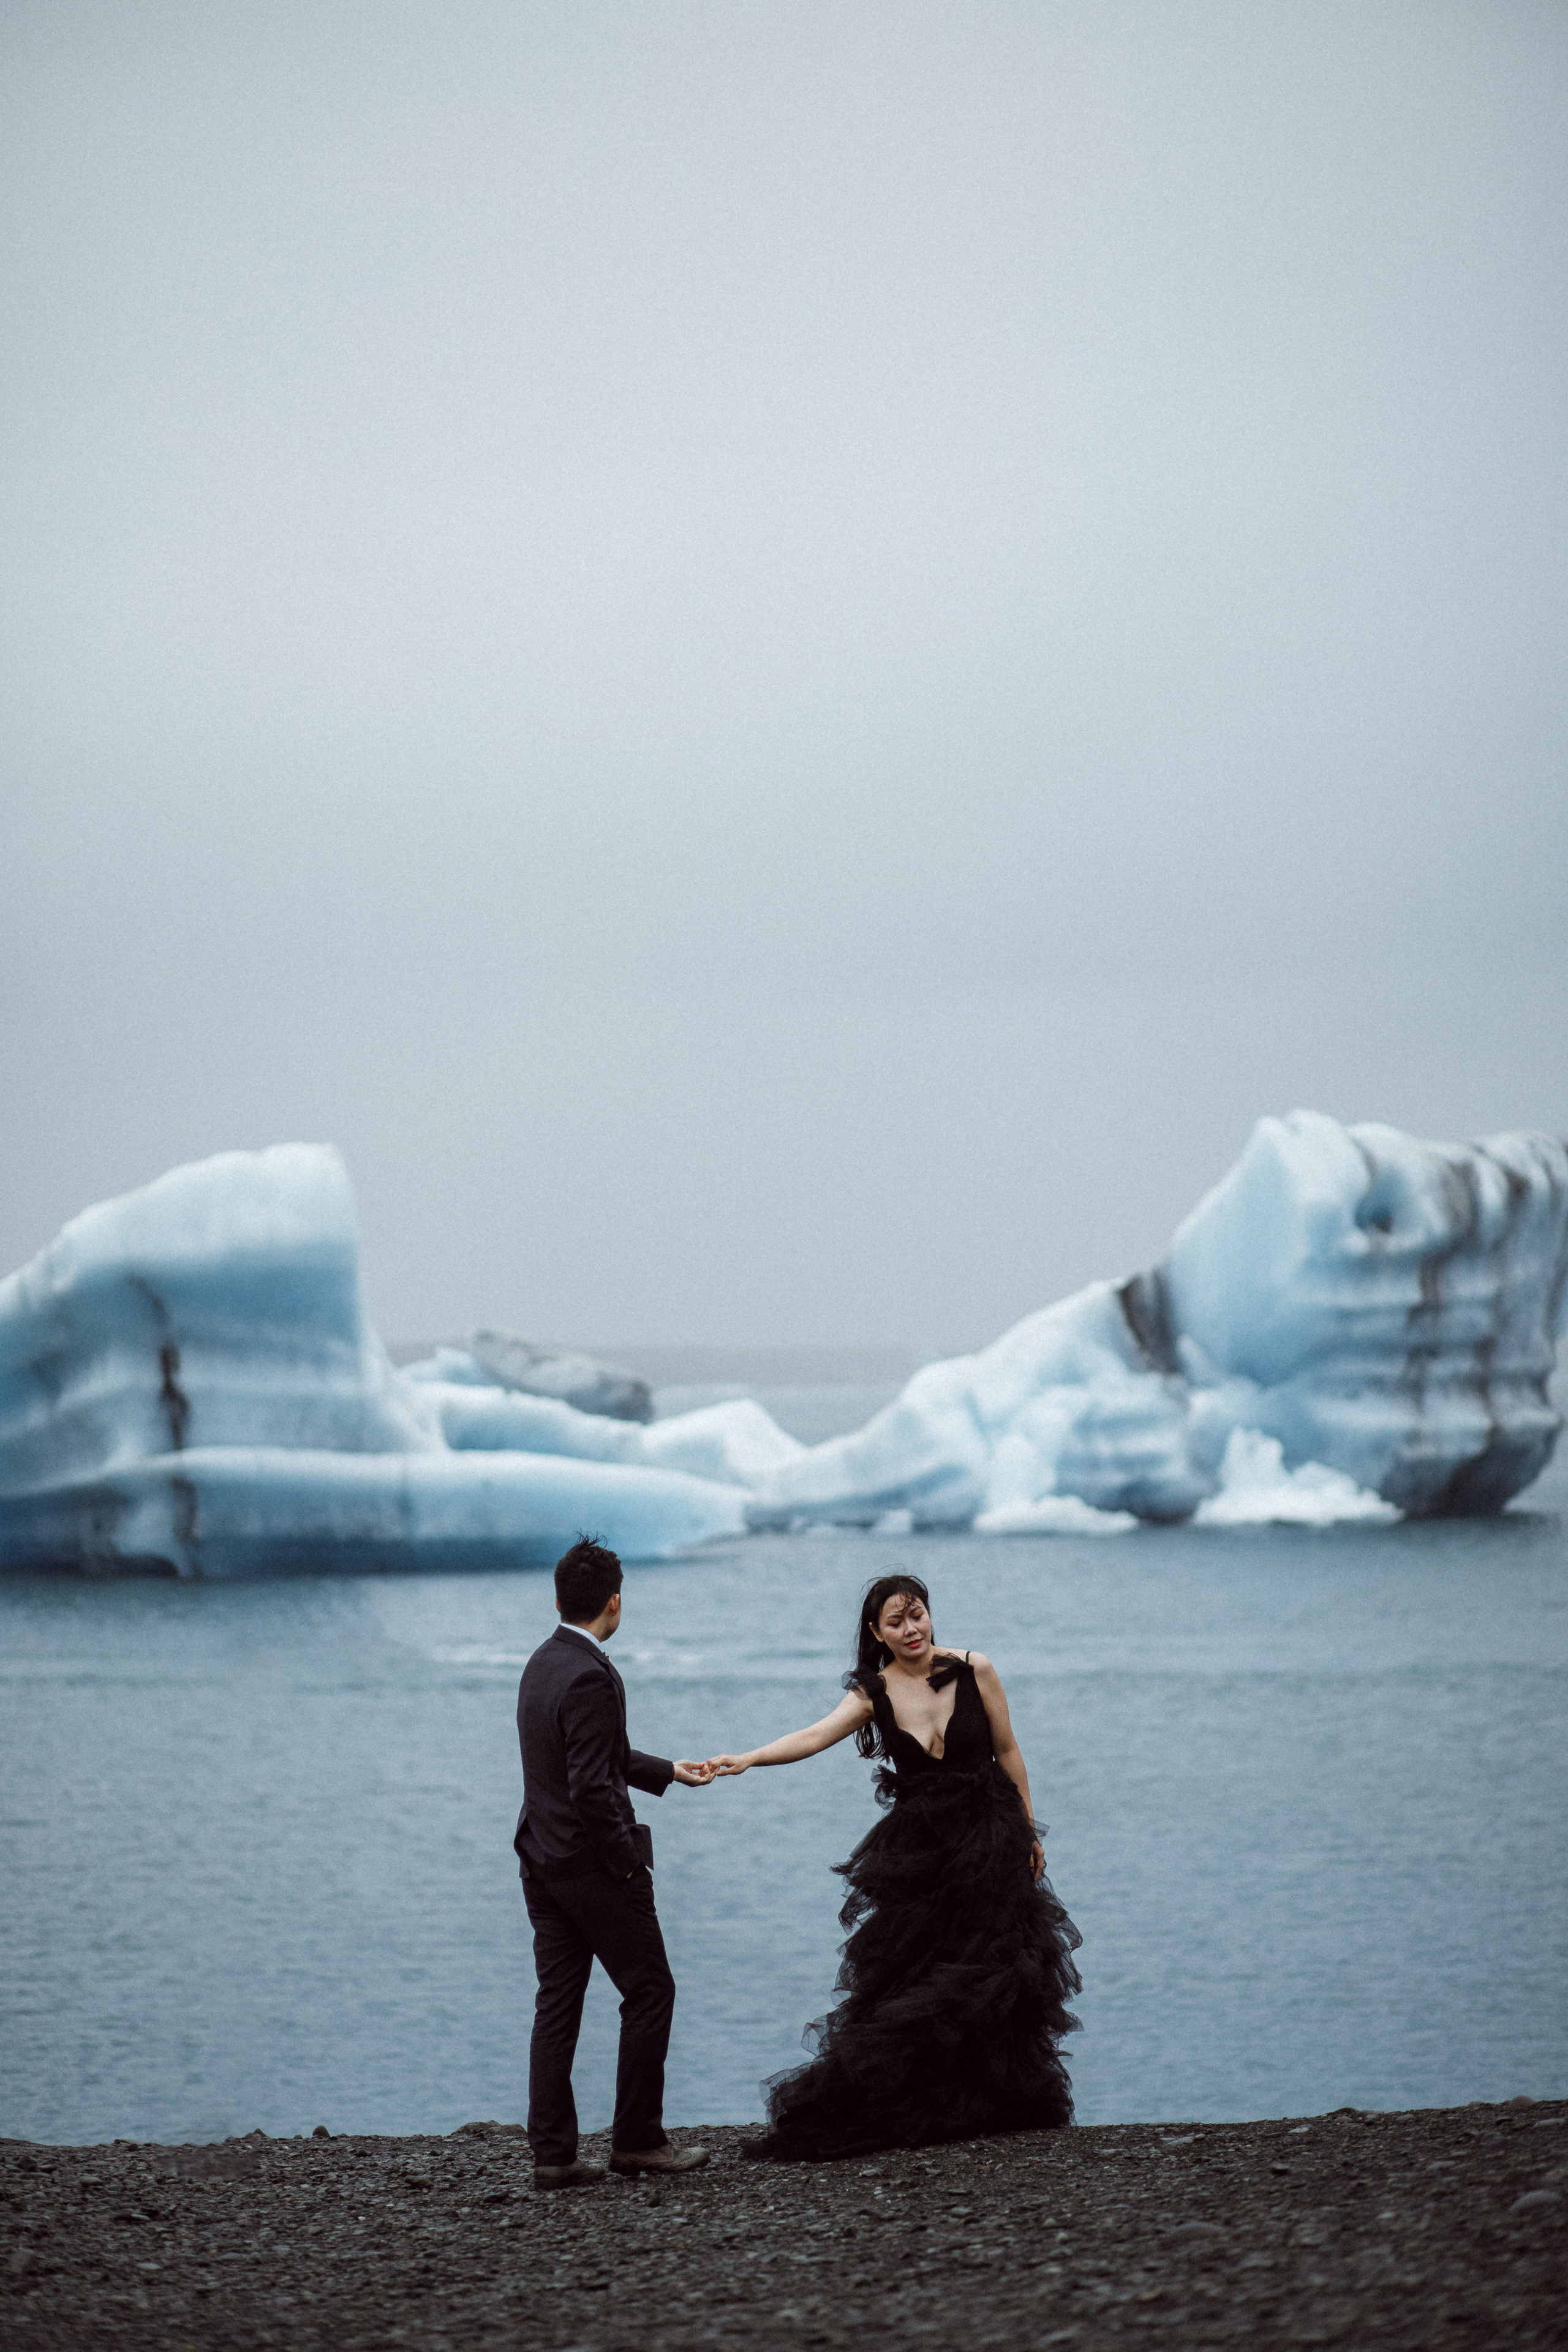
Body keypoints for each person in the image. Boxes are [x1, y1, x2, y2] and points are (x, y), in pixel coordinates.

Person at [704, 1572, 1081, 2162]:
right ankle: (929, 2104)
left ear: (931, 1614)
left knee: (998, 1970)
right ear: (876, 1633)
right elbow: (814, 1735)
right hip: (922, 1855)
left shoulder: (974, 1668)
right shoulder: (872, 1692)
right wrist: (749, 1758)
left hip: (989, 1838)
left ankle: (998, 2102)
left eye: (918, 1615)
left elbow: (1008, 1750)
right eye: (897, 1622)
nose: (912, 1629)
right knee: (920, 1978)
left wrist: (1029, 1830)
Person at [514, 1534, 715, 2188]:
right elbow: (592, 1787)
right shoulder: (590, 1674)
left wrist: (669, 1772)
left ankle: (553, 2155)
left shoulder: (542, 1662)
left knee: (558, 2004)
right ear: (615, 1603)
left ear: (557, 1599)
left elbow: (595, 1757)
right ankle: (636, 2142)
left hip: (540, 1859)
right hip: (591, 1866)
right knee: (650, 1989)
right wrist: (627, 1863)